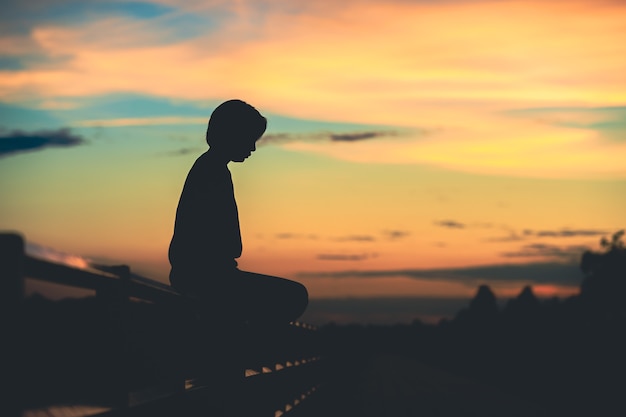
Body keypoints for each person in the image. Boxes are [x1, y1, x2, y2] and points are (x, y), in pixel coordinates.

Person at [168, 99, 308, 324]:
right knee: (295, 296)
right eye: (250, 140)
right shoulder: (212, 172)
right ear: (232, 135)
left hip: (204, 274)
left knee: (291, 296)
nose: (252, 148)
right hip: (207, 277)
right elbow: (220, 242)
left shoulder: (210, 168)